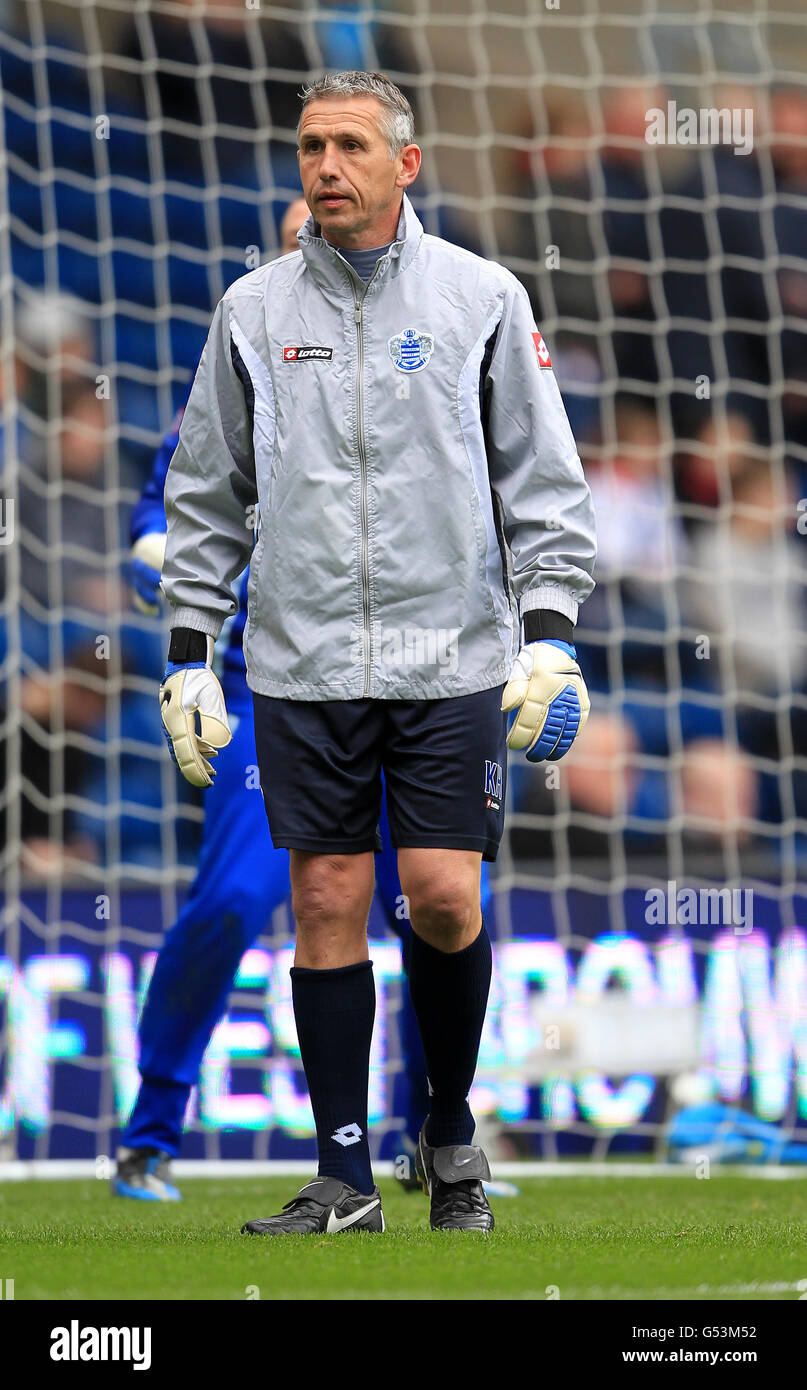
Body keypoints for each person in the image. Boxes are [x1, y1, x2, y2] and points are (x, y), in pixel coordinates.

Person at [161, 71, 595, 1235]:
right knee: (326, 898)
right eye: (310, 146)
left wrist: (548, 637)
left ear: (406, 164)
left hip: (451, 655)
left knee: (445, 899)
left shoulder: (483, 298)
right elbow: (206, 495)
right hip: (301, 664)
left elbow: (544, 485)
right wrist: (191, 654)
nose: (326, 167)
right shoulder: (251, 311)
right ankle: (345, 1174)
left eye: (351, 145)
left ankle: (447, 1128)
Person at [115, 194, 493, 1199]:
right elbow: (174, 503)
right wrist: (159, 554)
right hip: (272, 678)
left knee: (433, 897)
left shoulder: (437, 359)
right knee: (244, 896)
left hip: (421, 669)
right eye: (301, 238)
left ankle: (432, 1137)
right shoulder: (245, 358)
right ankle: (151, 1127)